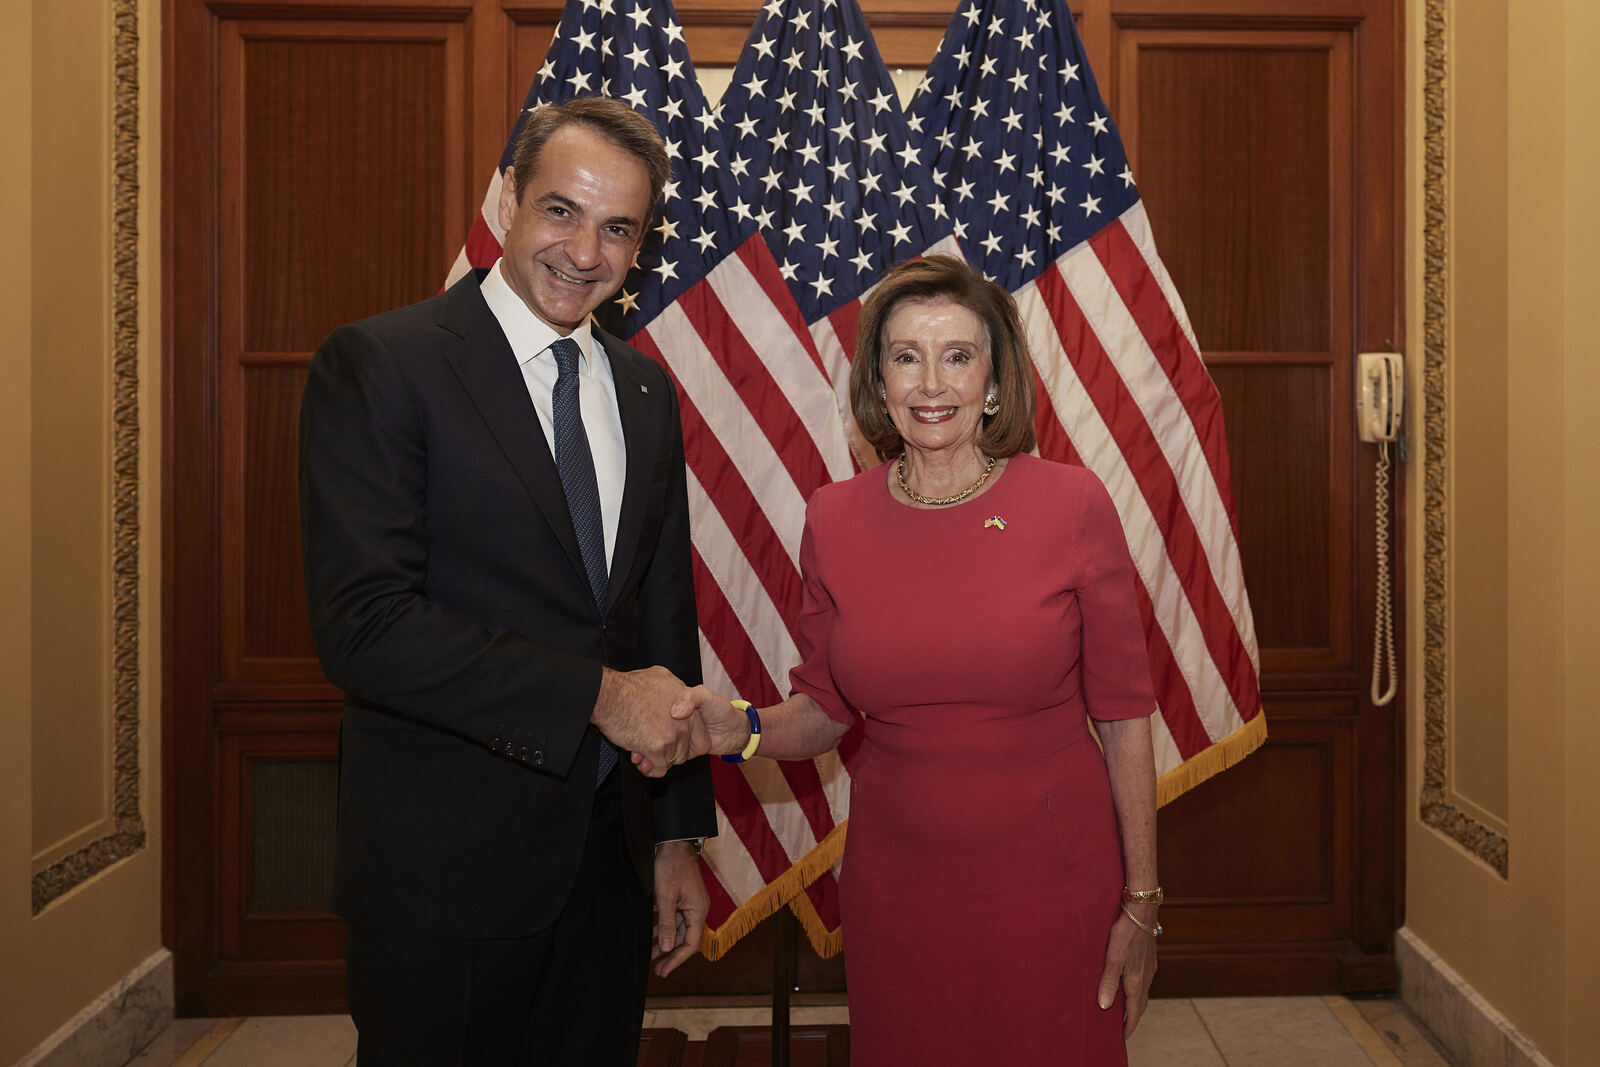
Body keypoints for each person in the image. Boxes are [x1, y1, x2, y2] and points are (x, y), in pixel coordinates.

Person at [643, 255, 1161, 1064]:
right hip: (898, 886)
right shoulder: (835, 518)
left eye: (958, 355)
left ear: (995, 381)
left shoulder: (1072, 504)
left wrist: (1142, 898)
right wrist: (735, 727)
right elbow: (825, 707)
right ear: (878, 384)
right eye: (906, 356)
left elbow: (1125, 713)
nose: (932, 383)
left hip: (1053, 880)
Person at [298, 96, 716, 1066]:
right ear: (506, 199)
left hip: (608, 872)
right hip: (445, 876)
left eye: (619, 228)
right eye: (561, 210)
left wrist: (674, 838)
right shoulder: (384, 364)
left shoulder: (645, 392)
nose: (585, 252)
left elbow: (661, 621)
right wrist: (598, 696)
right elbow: (365, 626)